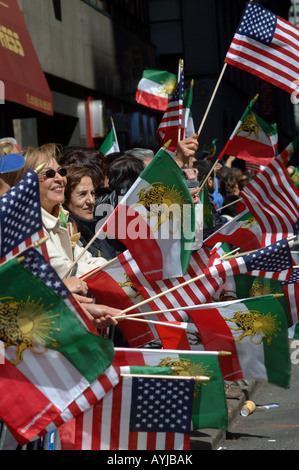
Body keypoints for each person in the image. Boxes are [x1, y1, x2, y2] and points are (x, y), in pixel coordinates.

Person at [21, 143, 122, 329]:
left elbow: (86, 260)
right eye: (49, 174)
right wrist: (118, 274)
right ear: (25, 182)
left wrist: (122, 269)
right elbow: (67, 270)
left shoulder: (60, 219)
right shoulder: (26, 226)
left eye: (61, 172)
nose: (60, 178)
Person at [63, 165, 102, 257]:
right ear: (64, 198)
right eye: (82, 194)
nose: (91, 201)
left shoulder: (96, 230)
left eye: (92, 193)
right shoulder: (66, 236)